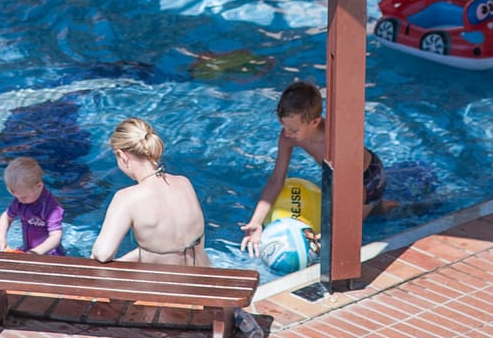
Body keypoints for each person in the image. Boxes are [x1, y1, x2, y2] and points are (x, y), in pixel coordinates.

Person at [239, 81, 385, 252]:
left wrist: (332, 230)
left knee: (342, 238)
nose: (286, 134)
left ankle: (394, 206)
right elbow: (276, 179)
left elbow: (354, 192)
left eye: (293, 130)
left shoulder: (335, 141)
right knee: (373, 214)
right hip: (340, 178)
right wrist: (256, 222)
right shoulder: (288, 135)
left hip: (368, 179)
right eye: (283, 126)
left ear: (315, 122)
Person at [90, 118, 208, 266]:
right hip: (203, 276)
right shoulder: (184, 183)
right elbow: (172, 248)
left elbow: (103, 254)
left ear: (122, 155)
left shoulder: (127, 198)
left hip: (163, 285)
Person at [0, 156, 64, 256]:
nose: (19, 200)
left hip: (49, 254)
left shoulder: (51, 208)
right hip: (28, 250)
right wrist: (0, 239)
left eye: (23, 197)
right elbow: (6, 217)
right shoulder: (21, 200)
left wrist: (36, 252)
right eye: (16, 197)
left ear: (39, 186)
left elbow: (55, 236)